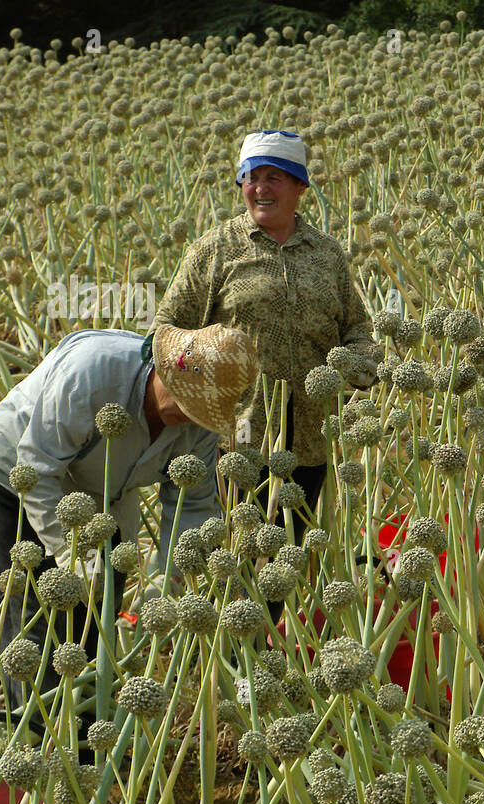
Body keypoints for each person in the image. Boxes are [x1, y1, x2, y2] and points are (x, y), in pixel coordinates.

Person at [0, 324, 259, 716]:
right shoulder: (92, 373)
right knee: (38, 607)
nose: (184, 414)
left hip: (104, 490)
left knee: (100, 614)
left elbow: (192, 505)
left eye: (198, 410)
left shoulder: (200, 427)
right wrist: (68, 554)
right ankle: (30, 731)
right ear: (165, 367)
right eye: (182, 398)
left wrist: (171, 580)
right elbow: (38, 467)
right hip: (21, 468)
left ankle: (86, 727)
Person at [153, 131, 379, 604]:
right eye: (251, 178)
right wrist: (198, 384)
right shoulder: (215, 250)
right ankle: (220, 665)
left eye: (274, 177)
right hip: (234, 444)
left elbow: (358, 328)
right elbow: (168, 329)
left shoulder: (328, 254)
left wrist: (358, 366)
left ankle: (272, 651)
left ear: (300, 187)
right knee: (230, 565)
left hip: (312, 441)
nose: (260, 189)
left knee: (286, 568)